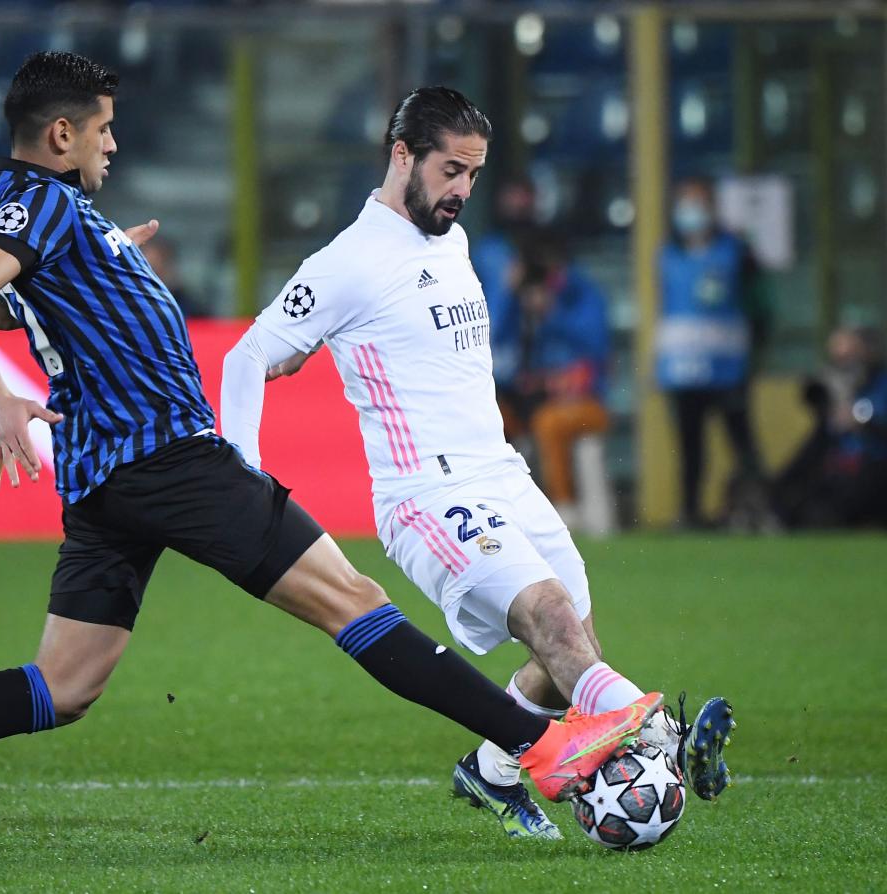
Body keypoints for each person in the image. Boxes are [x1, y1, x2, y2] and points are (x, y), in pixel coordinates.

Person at [0, 53, 661, 867]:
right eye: (103, 129)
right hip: (167, 454)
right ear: (61, 135)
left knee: (63, 685)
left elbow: (10, 303)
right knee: (354, 602)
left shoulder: (42, 211)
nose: (113, 144)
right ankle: (543, 747)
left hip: (105, 476)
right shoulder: (40, 201)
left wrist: (105, 267)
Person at [220, 86, 734, 840]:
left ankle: (491, 770)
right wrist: (244, 473)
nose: (462, 189)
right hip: (427, 494)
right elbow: (246, 356)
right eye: (451, 170)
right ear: (403, 156)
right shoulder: (347, 262)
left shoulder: (450, 241)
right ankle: (662, 739)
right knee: (550, 616)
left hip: (502, 473)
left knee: (571, 645)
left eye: (473, 174)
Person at [657, 176, 770, 528]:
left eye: (697, 203)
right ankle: (689, 513)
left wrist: (756, 351)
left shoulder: (736, 251)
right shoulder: (669, 253)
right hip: (683, 370)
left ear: (712, 207)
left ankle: (763, 511)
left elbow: (760, 305)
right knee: (690, 447)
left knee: (742, 443)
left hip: (727, 367)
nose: (690, 212)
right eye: (684, 203)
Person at [483, 227, 611, 525]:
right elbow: (493, 335)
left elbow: (596, 345)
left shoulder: (581, 293)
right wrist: (508, 291)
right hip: (532, 395)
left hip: (585, 399)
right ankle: (498, 513)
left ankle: (565, 510)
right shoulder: (521, 297)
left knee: (549, 424)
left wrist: (553, 312)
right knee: (490, 422)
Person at [774, 326, 887, 528]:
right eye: (838, 357)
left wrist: (860, 421)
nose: (844, 362)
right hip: (841, 469)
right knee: (799, 491)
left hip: (874, 470)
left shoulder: (880, 384)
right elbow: (820, 434)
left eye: (850, 354)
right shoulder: (839, 385)